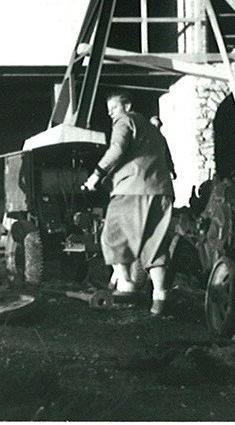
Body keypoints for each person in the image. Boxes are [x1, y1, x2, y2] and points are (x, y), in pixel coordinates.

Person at [82, 93, 174, 315]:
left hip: (132, 188)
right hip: (161, 190)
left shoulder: (125, 120)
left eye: (114, 108)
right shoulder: (154, 130)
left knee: (112, 236)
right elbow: (168, 160)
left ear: (127, 105)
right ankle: (159, 299)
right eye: (109, 110)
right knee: (155, 245)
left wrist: (95, 176)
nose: (110, 113)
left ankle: (126, 285)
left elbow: (117, 149)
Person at [149, 115, 177, 180]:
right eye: (154, 126)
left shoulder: (162, 139)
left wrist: (172, 169)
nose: (157, 128)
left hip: (161, 170)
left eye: (158, 126)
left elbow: (167, 155)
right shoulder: (147, 139)